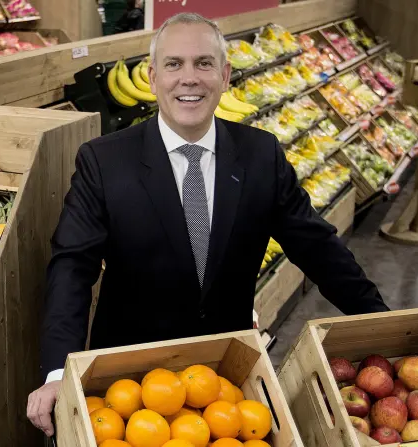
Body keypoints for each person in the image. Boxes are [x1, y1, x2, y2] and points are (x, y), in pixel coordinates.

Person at [27, 12, 390, 436]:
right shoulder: (104, 161)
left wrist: (381, 326)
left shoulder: (260, 155)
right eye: (173, 64)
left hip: (226, 377)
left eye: (203, 63)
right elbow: (72, 266)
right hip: (128, 384)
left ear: (225, 74)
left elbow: (317, 247)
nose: (189, 78)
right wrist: (57, 373)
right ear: (151, 76)